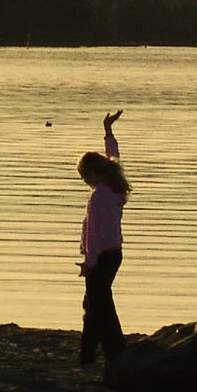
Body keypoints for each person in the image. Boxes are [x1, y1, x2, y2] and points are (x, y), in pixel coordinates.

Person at [77, 109, 131, 366]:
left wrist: (89, 262)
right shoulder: (115, 186)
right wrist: (108, 130)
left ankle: (115, 352)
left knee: (100, 307)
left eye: (84, 177)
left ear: (93, 174)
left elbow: (94, 233)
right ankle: (87, 354)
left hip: (102, 257)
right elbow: (114, 156)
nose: (84, 182)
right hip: (114, 254)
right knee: (92, 304)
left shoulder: (99, 196)